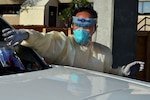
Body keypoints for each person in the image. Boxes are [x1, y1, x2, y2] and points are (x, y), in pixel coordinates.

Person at [2, 7, 144, 76]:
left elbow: (106, 77)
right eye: (78, 24)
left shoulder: (104, 52)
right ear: (72, 26)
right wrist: (24, 35)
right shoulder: (62, 43)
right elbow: (43, 40)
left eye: (87, 25)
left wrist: (122, 72)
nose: (82, 29)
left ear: (95, 28)